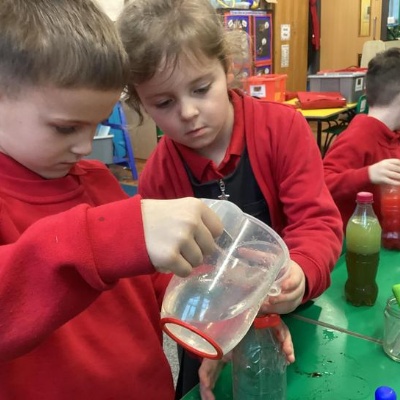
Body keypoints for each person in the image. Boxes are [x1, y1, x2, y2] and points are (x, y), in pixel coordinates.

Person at [117, 0, 343, 397]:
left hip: (290, 315)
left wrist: (302, 272)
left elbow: (317, 223)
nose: (188, 112)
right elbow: (157, 274)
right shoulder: (160, 173)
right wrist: (216, 328)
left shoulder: (282, 129)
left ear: (227, 69)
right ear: (140, 102)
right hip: (210, 330)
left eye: (201, 89)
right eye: (164, 103)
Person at [0, 1, 225, 399]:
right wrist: (104, 241)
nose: (85, 146)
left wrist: (216, 316)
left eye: (97, 124)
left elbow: (154, 285)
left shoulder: (98, 182)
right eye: (65, 128)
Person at [323, 48, 400, 230]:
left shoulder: (393, 134)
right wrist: (368, 174)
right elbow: (323, 184)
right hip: (360, 240)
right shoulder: (359, 136)